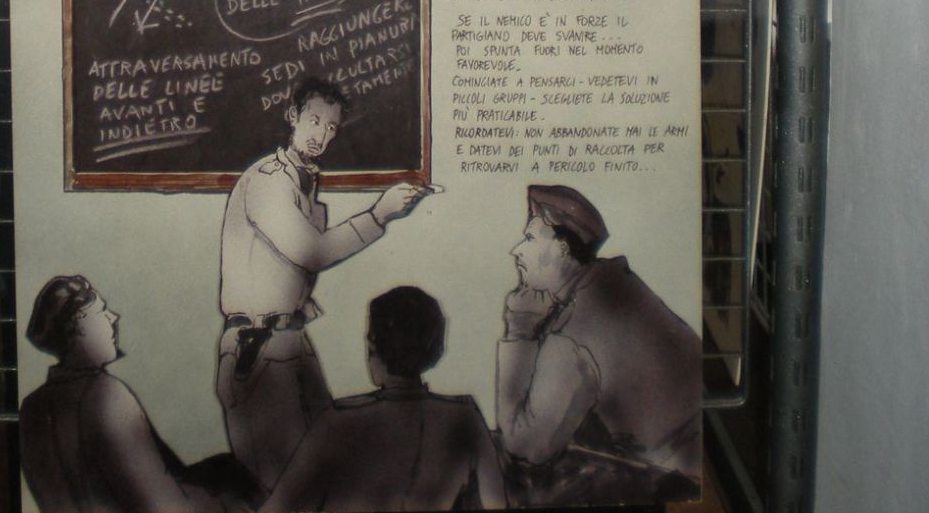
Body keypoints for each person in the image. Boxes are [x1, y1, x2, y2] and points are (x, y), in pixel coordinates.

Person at [216, 77, 430, 490]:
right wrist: (378, 215)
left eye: (331, 127)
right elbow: (311, 252)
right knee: (282, 487)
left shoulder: (304, 182)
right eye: (314, 121)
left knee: (323, 474)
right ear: (292, 116)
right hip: (258, 349)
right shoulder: (268, 180)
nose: (322, 135)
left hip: (288, 342)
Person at [495, 186, 701, 503]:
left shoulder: (572, 333)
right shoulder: (616, 282)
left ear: (562, 250)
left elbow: (524, 446)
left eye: (530, 239)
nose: (516, 251)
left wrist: (519, 329)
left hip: (674, 481)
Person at [262, 285, 507, 512]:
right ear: (435, 346)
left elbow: (277, 508)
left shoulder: (337, 423)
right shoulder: (465, 418)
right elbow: (498, 502)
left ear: (372, 345)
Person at [20, 273, 246, 513]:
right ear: (78, 327)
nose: (113, 317)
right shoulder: (104, 394)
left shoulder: (31, 407)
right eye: (101, 311)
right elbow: (165, 506)